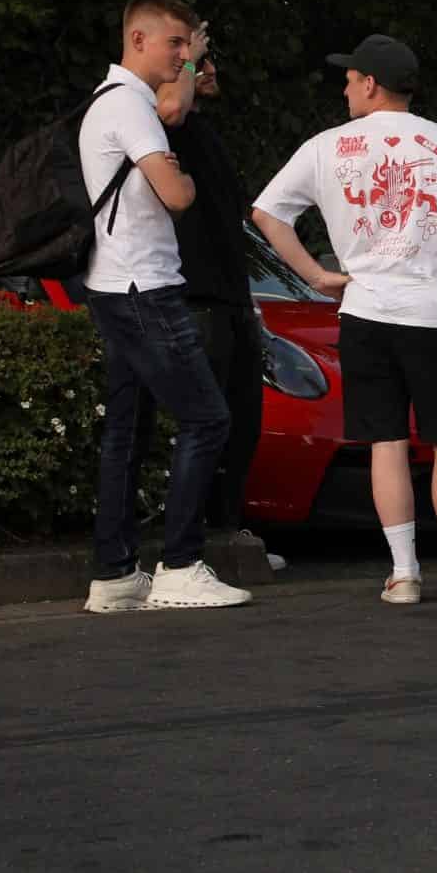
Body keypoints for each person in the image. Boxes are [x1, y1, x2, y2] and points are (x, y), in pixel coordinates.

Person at [251, 33, 437, 606]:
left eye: (351, 79)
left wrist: (316, 276)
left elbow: (267, 213)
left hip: (365, 313)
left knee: (386, 442)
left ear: (371, 83)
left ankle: (403, 574)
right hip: (436, 315)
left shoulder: (325, 146)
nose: (346, 88)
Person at [80, 0, 252, 613]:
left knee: (127, 433)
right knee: (208, 419)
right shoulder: (131, 107)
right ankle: (179, 565)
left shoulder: (108, 101)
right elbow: (176, 196)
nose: (185, 56)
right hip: (144, 287)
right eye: (175, 44)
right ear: (139, 40)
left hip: (115, 285)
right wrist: (186, 180)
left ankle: (115, 575)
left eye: (188, 44)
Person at [148, 35, 280, 575]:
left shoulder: (206, 132)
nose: (208, 69)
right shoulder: (164, 126)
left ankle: (228, 534)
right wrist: (186, 65)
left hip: (232, 299)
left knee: (241, 423)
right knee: (206, 425)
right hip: (196, 300)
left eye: (207, 59)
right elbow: (170, 107)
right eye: (195, 62)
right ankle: (190, 551)